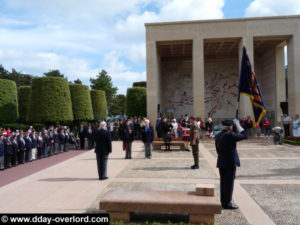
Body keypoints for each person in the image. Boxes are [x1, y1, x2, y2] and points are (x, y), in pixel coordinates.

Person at [215, 119, 247, 210]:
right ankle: (227, 203)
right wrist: (238, 125)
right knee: (229, 184)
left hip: (221, 161)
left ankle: (223, 201)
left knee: (223, 183)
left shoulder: (218, 135)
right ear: (230, 127)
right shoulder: (230, 134)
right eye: (232, 126)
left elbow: (218, 150)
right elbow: (244, 135)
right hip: (230, 162)